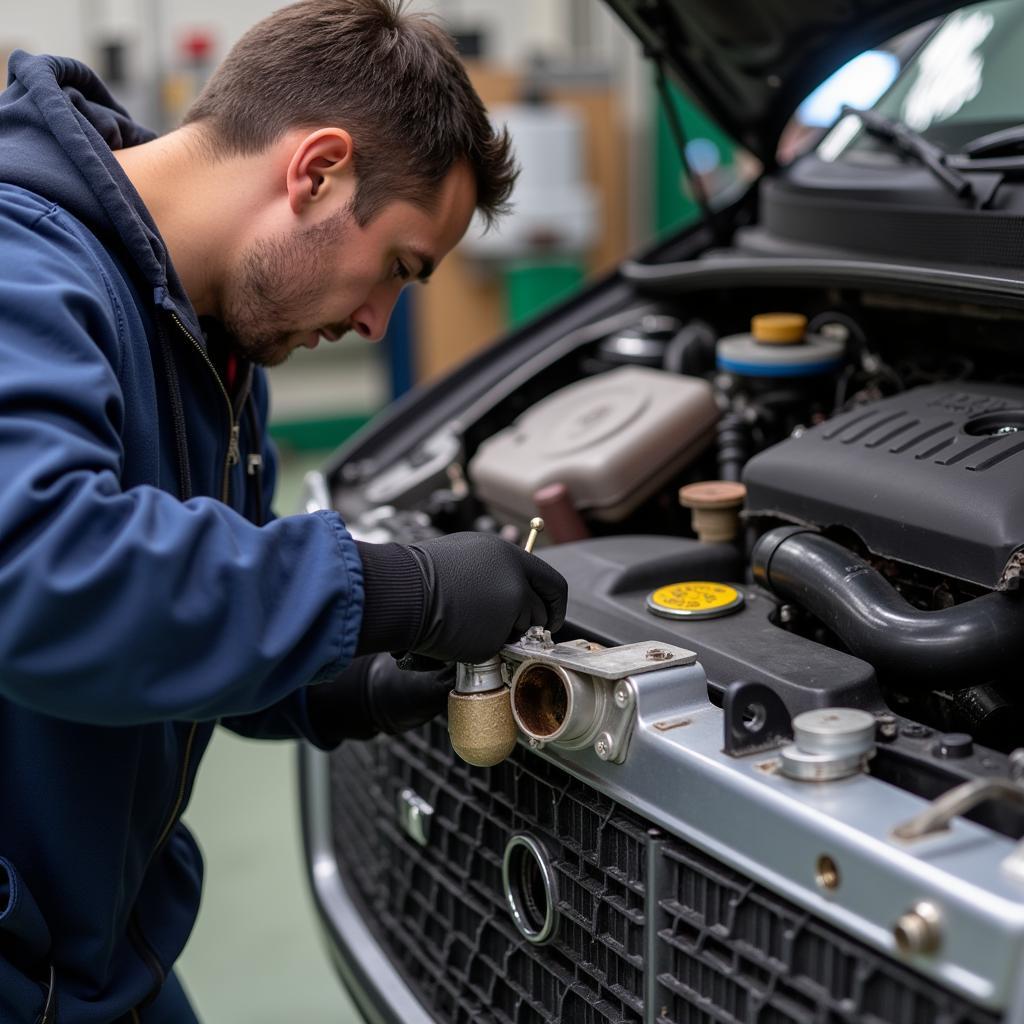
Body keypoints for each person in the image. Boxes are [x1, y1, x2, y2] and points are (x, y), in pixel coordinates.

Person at [0, 1, 568, 1020]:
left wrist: (351, 681)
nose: (375, 320)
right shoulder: (21, 268)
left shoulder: (219, 347)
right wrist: (399, 583)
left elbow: (173, 629)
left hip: (98, 956)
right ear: (316, 170)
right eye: (398, 268)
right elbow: (37, 575)